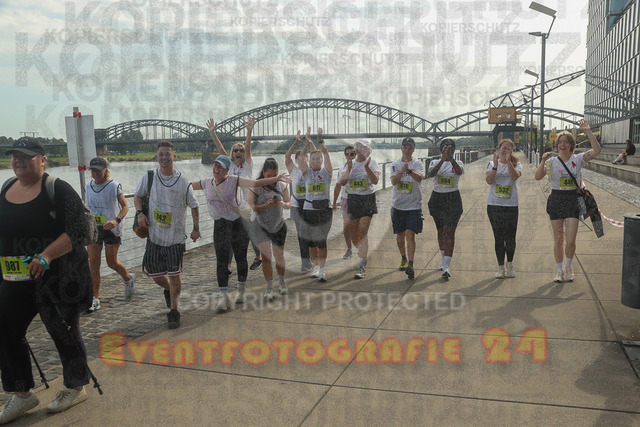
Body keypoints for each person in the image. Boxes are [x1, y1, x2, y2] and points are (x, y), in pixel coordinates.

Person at [0, 138, 92, 423]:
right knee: (6, 330)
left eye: (26, 156)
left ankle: (75, 388)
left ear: (42, 160)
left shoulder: (57, 189)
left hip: (58, 277)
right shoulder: (6, 188)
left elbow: (79, 230)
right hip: (15, 278)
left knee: (63, 331)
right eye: (14, 156)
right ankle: (22, 394)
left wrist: (47, 255)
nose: (18, 161)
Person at [191, 155, 291, 312]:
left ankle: (241, 291)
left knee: (240, 258)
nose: (217, 168)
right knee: (221, 261)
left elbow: (256, 183)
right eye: (215, 165)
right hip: (220, 225)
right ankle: (224, 297)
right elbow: (187, 186)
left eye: (221, 166)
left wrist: (277, 179)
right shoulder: (206, 182)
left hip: (238, 223)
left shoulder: (234, 180)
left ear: (227, 170)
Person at [134, 141, 200, 329]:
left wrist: (196, 228)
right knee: (154, 274)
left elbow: (194, 205)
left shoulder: (183, 181)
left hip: (175, 238)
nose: (164, 158)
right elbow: (137, 196)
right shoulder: (149, 177)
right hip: (154, 236)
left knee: (174, 275)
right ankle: (170, 290)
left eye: (167, 154)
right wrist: (140, 213)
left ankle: (174, 311)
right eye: (161, 154)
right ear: (157, 156)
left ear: (174, 156)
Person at [535, 119, 601, 282]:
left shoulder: (578, 159)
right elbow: (538, 176)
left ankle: (568, 267)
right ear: (557, 145)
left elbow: (596, 150)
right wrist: (542, 161)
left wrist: (588, 131)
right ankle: (559, 271)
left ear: (571, 145)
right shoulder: (551, 161)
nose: (562, 145)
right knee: (558, 239)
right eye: (560, 142)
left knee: (570, 240)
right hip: (556, 199)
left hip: (572, 199)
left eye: (566, 142)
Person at [207, 118, 262, 271]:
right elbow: (220, 148)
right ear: (232, 153)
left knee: (250, 233)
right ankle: (229, 265)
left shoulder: (248, 164)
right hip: (231, 206)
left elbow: (248, 146)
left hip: (246, 206)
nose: (238, 152)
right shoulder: (228, 165)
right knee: (230, 236)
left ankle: (258, 257)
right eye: (236, 150)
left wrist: (249, 131)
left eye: (241, 150)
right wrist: (212, 133)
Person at [85, 157, 135, 312]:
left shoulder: (113, 186)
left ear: (105, 170)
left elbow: (125, 206)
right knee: (93, 264)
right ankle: (95, 298)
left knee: (111, 262)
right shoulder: (88, 186)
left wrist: (116, 220)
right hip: (94, 228)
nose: (95, 173)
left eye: (98, 170)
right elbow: (87, 207)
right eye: (93, 170)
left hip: (112, 229)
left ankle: (128, 278)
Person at [249, 158, 291, 300]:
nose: (272, 179)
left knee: (279, 256)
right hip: (261, 226)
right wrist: (265, 206)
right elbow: (251, 206)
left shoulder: (282, 184)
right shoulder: (256, 186)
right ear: (263, 172)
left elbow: (289, 204)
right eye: (269, 175)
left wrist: (282, 204)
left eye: (275, 175)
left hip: (278, 225)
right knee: (266, 257)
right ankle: (269, 286)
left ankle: (282, 282)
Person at [340, 139, 380, 279]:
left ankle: (361, 266)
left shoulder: (372, 162)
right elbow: (342, 182)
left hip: (367, 199)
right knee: (354, 235)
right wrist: (349, 168)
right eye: (358, 146)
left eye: (363, 147)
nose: (360, 149)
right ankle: (363, 252)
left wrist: (367, 168)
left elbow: (375, 181)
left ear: (368, 150)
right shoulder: (349, 163)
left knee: (362, 232)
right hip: (353, 199)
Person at [427, 138, 464, 279]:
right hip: (437, 199)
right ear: (441, 148)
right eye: (446, 146)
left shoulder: (458, 162)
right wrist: (443, 159)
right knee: (441, 230)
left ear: (454, 149)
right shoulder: (435, 162)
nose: (448, 148)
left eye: (451, 146)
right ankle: (443, 260)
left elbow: (459, 172)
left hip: (453, 199)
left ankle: (447, 266)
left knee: (449, 231)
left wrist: (450, 159)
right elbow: (431, 174)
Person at [299, 127, 333, 282]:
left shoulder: (326, 173)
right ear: (310, 160)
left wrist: (320, 140)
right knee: (312, 243)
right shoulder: (306, 173)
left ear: (322, 160)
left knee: (321, 241)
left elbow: (326, 153)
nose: (316, 160)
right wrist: (307, 142)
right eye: (313, 158)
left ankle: (323, 269)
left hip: (324, 211)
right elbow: (301, 158)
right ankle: (316, 266)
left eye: (318, 158)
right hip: (309, 210)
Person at [486, 139, 522, 279]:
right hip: (494, 204)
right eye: (504, 147)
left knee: (510, 237)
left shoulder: (517, 164)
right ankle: (500, 266)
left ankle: (510, 264)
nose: (506, 150)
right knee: (499, 237)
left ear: (511, 151)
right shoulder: (491, 164)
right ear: (498, 148)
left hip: (511, 205)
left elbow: (515, 177)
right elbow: (489, 181)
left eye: (509, 148)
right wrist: (496, 166)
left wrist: (508, 163)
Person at [390, 137, 424, 280]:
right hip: (398, 205)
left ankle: (411, 264)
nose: (407, 150)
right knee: (400, 235)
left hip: (413, 206)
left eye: (410, 148)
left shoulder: (418, 163)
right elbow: (393, 181)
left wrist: (409, 171)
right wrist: (401, 171)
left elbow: (420, 178)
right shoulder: (395, 164)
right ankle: (403, 257)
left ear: (413, 150)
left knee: (410, 235)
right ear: (401, 149)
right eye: (405, 147)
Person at [285, 130, 314, 273]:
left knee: (309, 234)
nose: (301, 160)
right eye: (298, 158)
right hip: (296, 206)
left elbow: (311, 155)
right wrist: (296, 142)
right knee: (301, 234)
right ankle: (305, 262)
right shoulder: (293, 171)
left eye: (303, 158)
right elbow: (287, 156)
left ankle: (310, 259)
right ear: (296, 161)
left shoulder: (311, 171)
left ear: (307, 159)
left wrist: (308, 143)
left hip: (309, 205)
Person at [333, 145, 356, 260]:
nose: (350, 156)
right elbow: (338, 186)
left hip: (358, 199)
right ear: (345, 155)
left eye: (352, 154)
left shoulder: (360, 167)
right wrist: (334, 202)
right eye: (347, 154)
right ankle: (349, 249)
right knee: (346, 226)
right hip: (345, 199)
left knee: (356, 227)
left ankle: (361, 248)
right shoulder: (342, 169)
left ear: (355, 155)